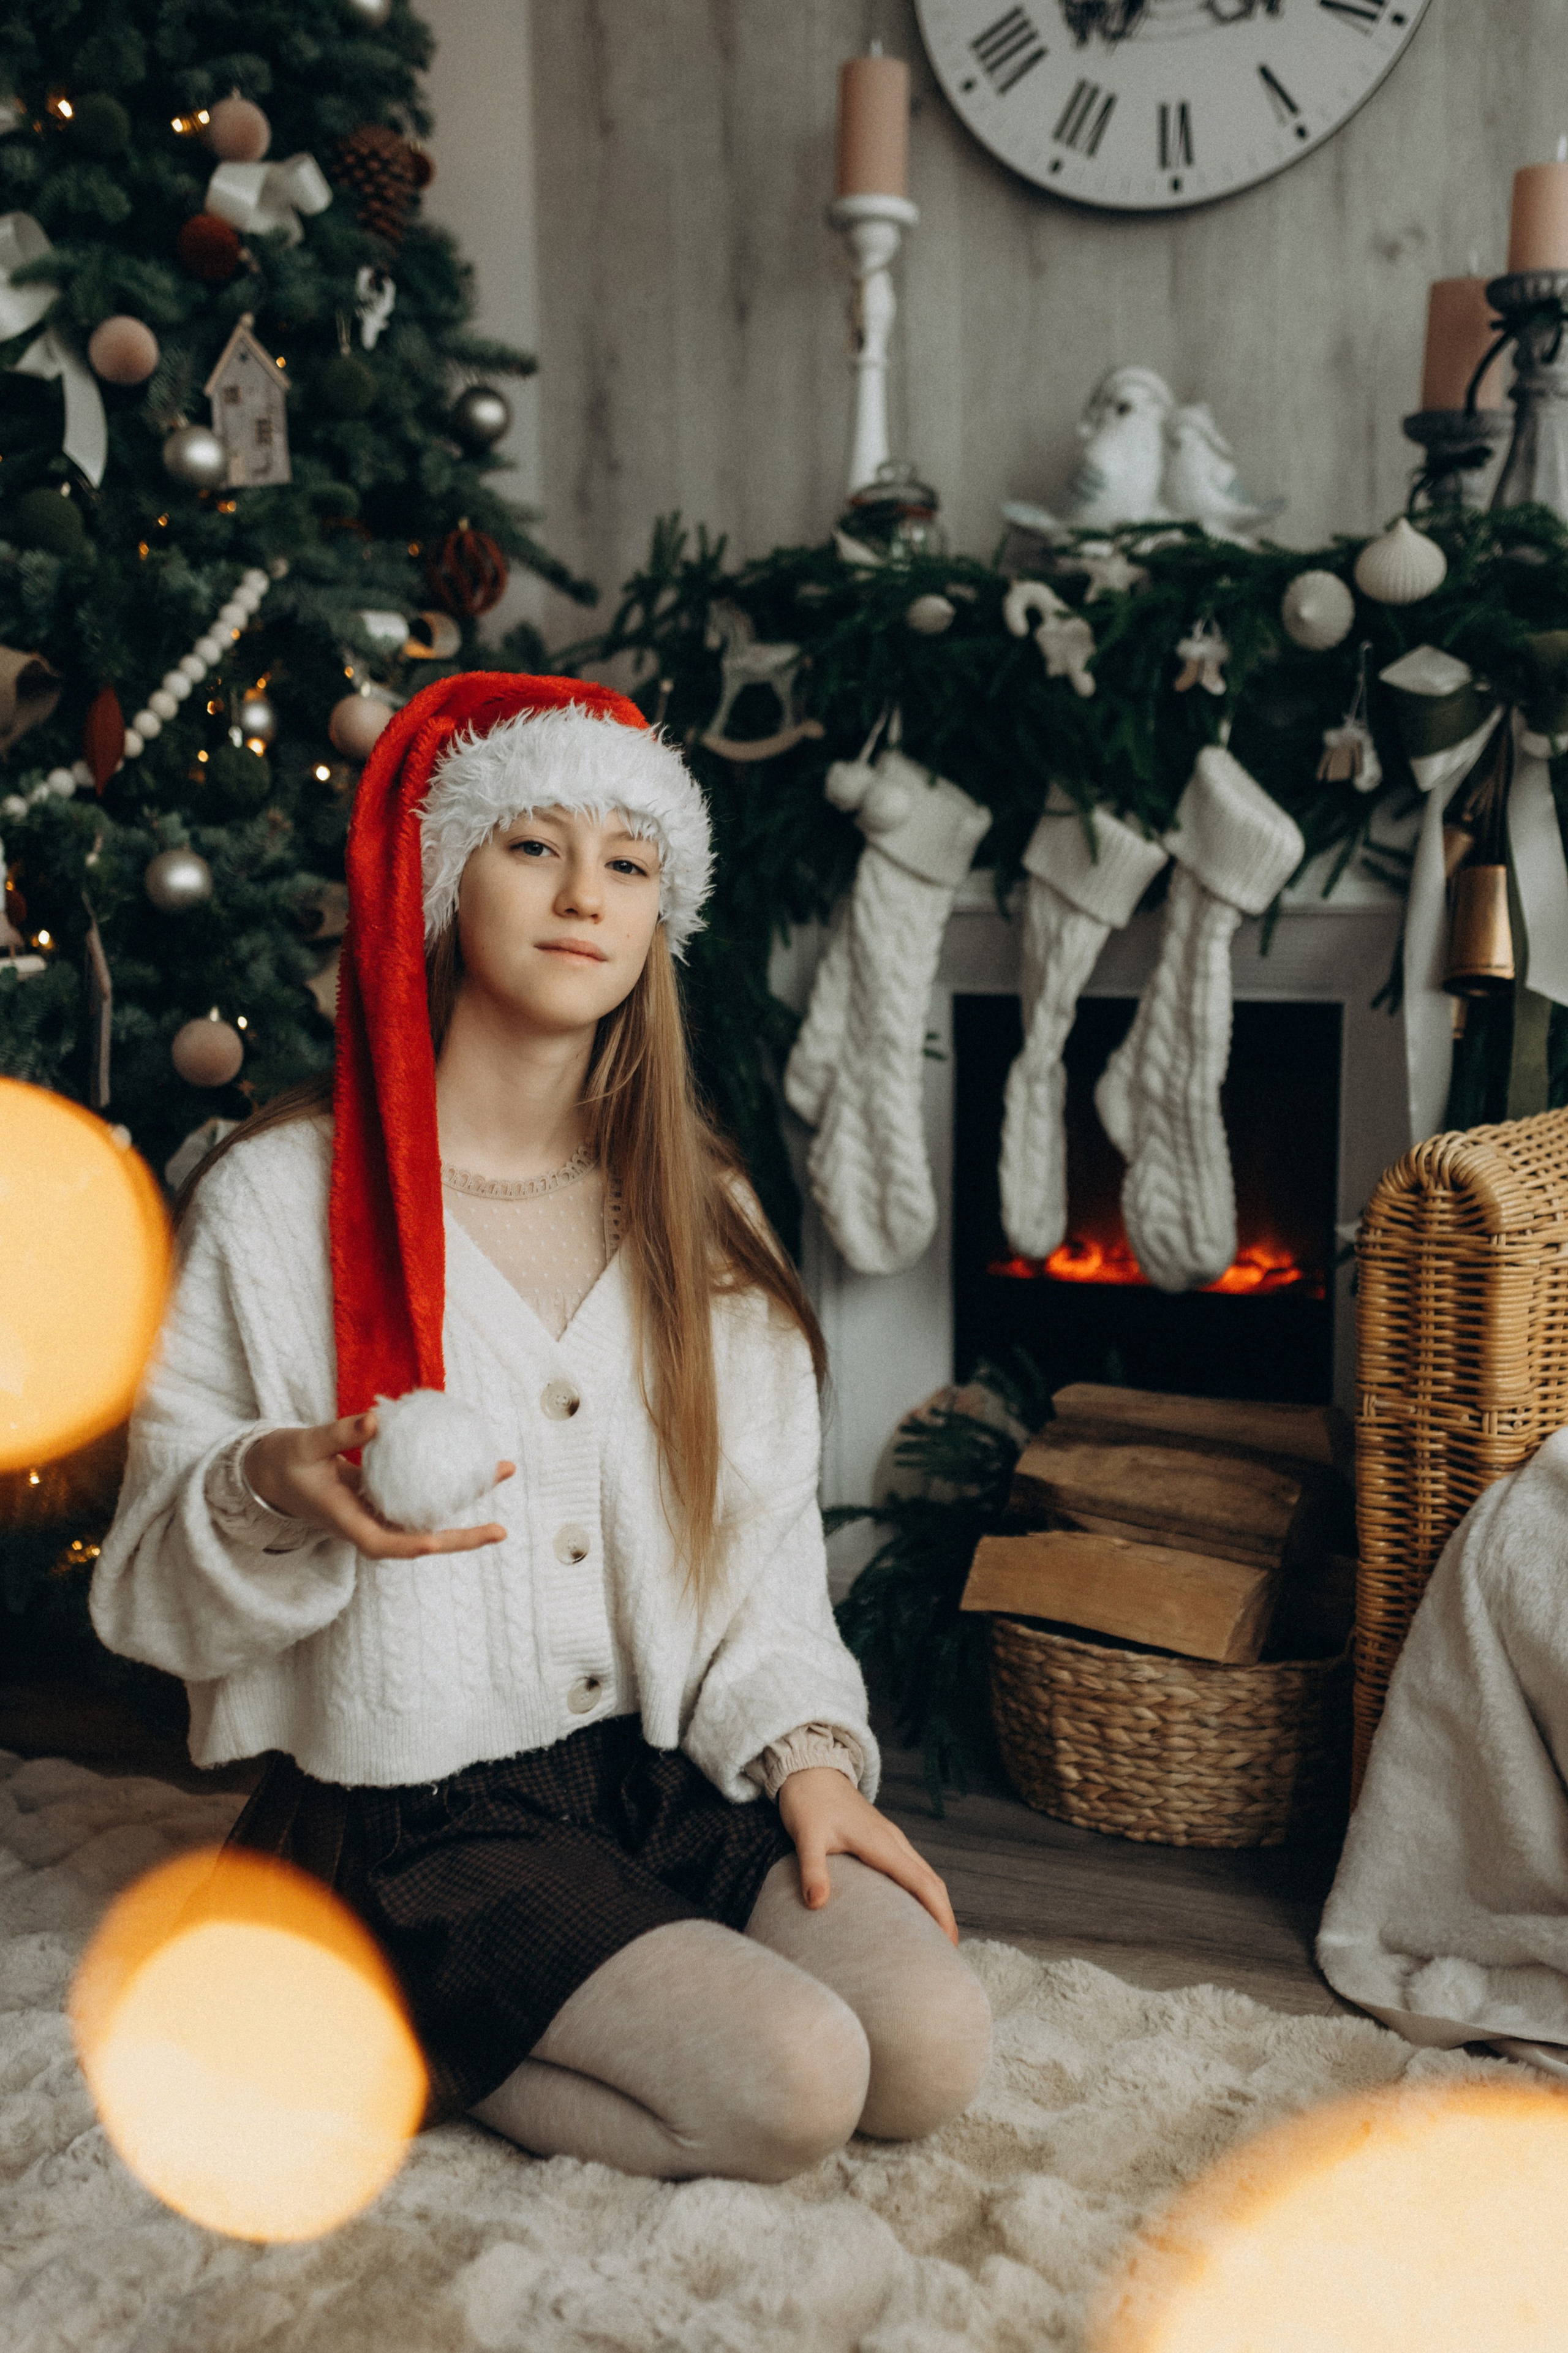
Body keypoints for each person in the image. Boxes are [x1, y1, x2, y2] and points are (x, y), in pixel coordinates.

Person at [91, 672, 992, 2180]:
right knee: (792, 2086)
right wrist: (276, 1483)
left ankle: (591, 1973)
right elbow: (145, 1584)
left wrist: (810, 1763)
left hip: (658, 1772)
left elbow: (762, 1559)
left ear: (659, 922)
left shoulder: (697, 1209)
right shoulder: (277, 1201)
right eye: (532, 847)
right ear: (443, 882)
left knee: (925, 2048)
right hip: (417, 1818)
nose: (585, 894)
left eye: (629, 865)